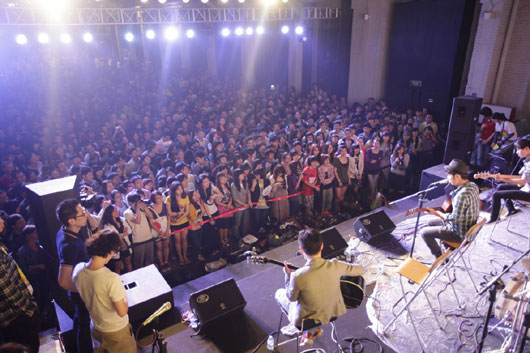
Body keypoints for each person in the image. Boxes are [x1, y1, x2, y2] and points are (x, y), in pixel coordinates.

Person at [275, 229, 365, 347]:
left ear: (301, 250)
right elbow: (361, 269)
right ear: (322, 246)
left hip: (305, 321)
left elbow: (291, 298)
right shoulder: (335, 265)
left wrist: (288, 276)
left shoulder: (297, 276)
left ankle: (310, 331)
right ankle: (311, 332)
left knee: (279, 293)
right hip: (332, 312)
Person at [72, 230, 137, 353]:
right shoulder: (111, 278)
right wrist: (124, 296)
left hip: (96, 327)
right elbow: (122, 311)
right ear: (110, 252)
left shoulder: (78, 269)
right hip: (116, 331)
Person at [56, 198, 98, 353]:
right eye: (82, 214)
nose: (85, 215)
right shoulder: (69, 244)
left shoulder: (66, 230)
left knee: (81, 320)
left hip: (81, 289)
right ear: (71, 220)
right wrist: (84, 290)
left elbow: (93, 224)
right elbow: (63, 281)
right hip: (80, 292)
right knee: (85, 326)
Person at [420, 159, 480, 258]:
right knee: (431, 222)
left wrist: (437, 213)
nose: (447, 178)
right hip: (467, 228)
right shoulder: (473, 185)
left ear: (457, 176)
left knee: (424, 232)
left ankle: (441, 258)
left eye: (449, 175)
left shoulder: (461, 195)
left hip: (459, 234)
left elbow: (454, 218)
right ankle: (447, 247)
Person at [0, 218, 40, 353]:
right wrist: (29, 309)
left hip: (17, 314)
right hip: (16, 316)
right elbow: (7, 289)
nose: (2, 221)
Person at [488, 138, 530, 223]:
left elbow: (522, 181)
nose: (517, 152)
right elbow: (520, 177)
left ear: (527, 149)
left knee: (496, 194)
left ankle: (493, 219)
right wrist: (504, 178)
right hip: (526, 187)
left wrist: (503, 179)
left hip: (528, 192)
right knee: (500, 186)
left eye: (518, 149)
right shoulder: (527, 161)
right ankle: (512, 210)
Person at [124, 192, 154, 270]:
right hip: (138, 241)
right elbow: (138, 221)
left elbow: (151, 216)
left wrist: (145, 208)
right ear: (130, 203)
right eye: (135, 202)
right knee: (139, 264)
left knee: (149, 261)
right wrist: (137, 209)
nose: (138, 203)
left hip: (148, 237)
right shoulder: (127, 213)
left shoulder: (142, 209)